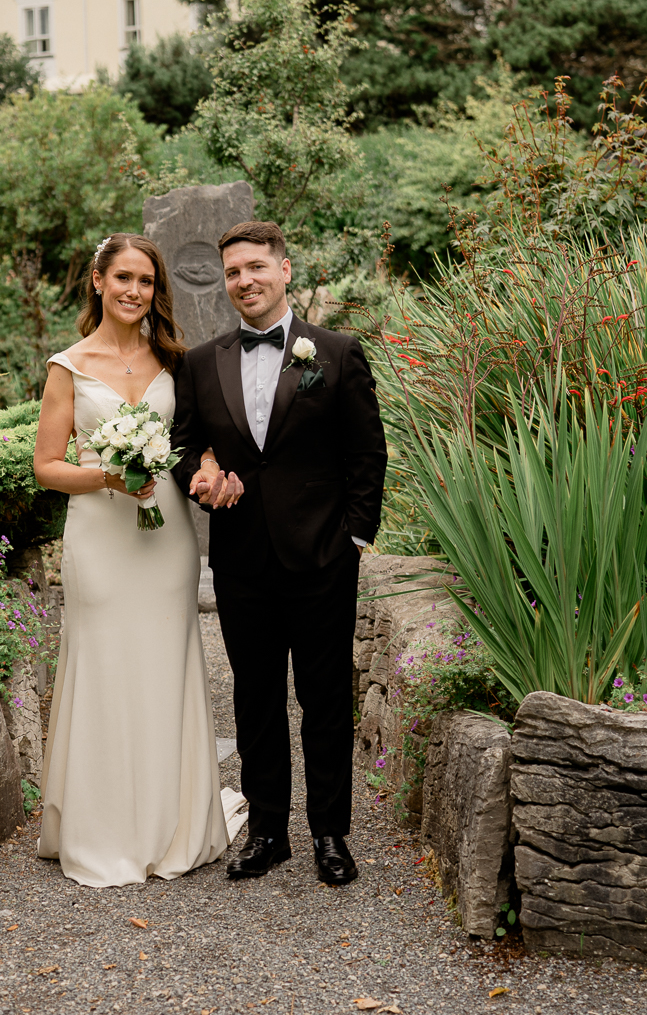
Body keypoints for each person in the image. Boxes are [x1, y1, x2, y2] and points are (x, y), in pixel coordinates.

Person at [172, 221, 388, 886]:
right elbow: (183, 446)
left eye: (256, 267)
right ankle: (267, 830)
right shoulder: (201, 361)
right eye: (234, 272)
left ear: (285, 270)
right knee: (256, 697)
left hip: (323, 557)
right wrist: (202, 483)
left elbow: (366, 456)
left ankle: (329, 833)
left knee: (324, 697)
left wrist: (353, 539)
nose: (245, 281)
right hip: (241, 560)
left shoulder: (338, 352)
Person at [31, 233, 241, 887]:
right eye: (123, 277)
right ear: (97, 281)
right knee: (103, 667)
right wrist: (107, 480)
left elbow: (200, 442)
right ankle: (100, 831)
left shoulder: (176, 361)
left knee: (162, 668)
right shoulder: (67, 365)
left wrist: (207, 469)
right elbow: (46, 467)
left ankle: (170, 824)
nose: (134, 291)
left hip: (166, 538)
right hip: (99, 532)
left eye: (146, 282)